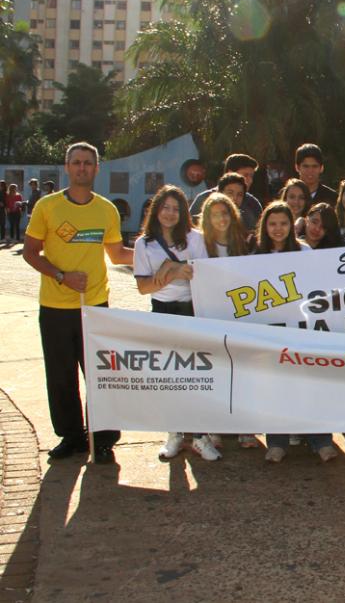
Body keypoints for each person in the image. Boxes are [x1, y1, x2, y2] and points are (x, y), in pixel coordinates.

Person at [22, 142, 134, 463]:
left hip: (94, 307)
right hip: (55, 308)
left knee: (101, 376)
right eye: (76, 162)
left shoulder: (106, 209)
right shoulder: (47, 206)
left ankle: (103, 441)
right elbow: (30, 252)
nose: (82, 167)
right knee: (61, 377)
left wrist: (160, 256)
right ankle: (71, 437)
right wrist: (62, 276)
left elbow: (117, 254)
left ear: (96, 168)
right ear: (67, 167)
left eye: (87, 163)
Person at [132, 185, 221, 462]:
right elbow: (143, 287)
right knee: (170, 377)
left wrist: (172, 270)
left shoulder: (196, 239)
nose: (170, 214)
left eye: (176, 209)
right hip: (163, 311)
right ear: (156, 210)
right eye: (165, 208)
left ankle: (200, 437)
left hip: (193, 309)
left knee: (196, 376)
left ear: (183, 212)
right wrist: (171, 272)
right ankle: (174, 434)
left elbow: (204, 276)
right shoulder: (143, 244)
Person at [253, 201, 338, 463]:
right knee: (275, 388)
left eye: (283, 223)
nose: (278, 229)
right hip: (270, 331)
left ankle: (321, 441)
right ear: (265, 226)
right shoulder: (253, 256)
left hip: (302, 329)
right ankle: (277, 443)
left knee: (310, 385)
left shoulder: (304, 251)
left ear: (292, 225)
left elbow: (318, 289)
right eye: (272, 224)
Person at [200, 193, 261, 449]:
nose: (221, 219)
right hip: (210, 316)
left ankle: (245, 428)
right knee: (216, 372)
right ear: (207, 218)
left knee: (242, 372)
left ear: (232, 215)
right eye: (215, 214)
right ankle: (215, 427)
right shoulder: (200, 245)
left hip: (240, 318)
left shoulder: (245, 243)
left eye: (225, 213)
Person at [189, 153, 263, 228]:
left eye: (251, 176)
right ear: (230, 173)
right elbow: (189, 228)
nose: (250, 180)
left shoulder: (253, 204)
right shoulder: (204, 199)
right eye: (245, 175)